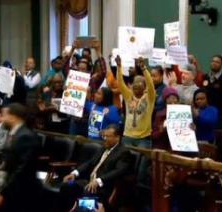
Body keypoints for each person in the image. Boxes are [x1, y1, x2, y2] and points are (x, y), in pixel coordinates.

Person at [60, 125, 134, 211]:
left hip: (102, 188)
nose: (105, 139)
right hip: (87, 182)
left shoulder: (123, 152)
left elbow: (118, 171)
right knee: (67, 185)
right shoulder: (104, 147)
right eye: (104, 136)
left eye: (108, 136)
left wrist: (98, 180)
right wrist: (74, 173)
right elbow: (90, 162)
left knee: (87, 193)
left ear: (117, 138)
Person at [116, 56, 155, 187]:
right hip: (127, 137)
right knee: (125, 167)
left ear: (144, 88)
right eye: (134, 86)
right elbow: (120, 83)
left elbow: (151, 84)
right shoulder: (128, 96)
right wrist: (119, 67)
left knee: (141, 170)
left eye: (140, 86)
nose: (136, 89)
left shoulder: (149, 98)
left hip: (143, 138)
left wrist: (144, 69)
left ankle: (140, 193)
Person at [0, 103, 44, 211]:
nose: (2, 119)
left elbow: (22, 169)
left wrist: (4, 191)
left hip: (24, 192)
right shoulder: (15, 134)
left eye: (4, 115)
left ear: (13, 117)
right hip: (15, 190)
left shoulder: (25, 136)